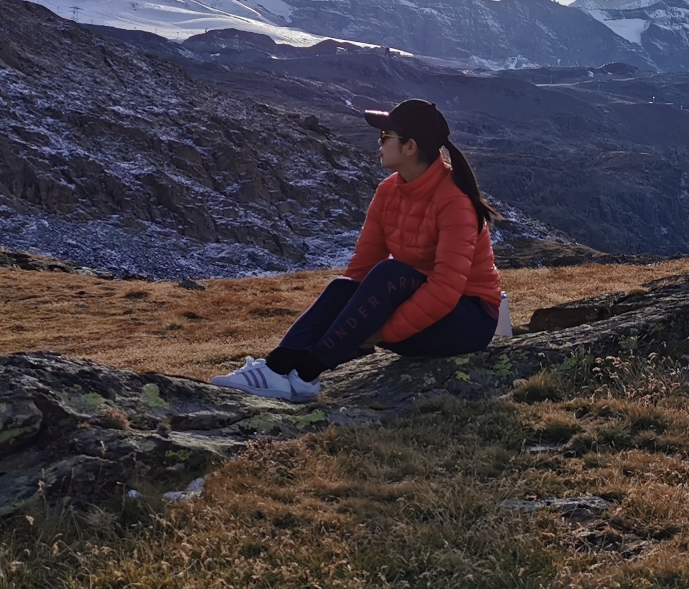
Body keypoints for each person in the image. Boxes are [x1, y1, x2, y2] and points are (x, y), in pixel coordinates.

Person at [213, 98, 506, 402]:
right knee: (344, 286)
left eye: (385, 137)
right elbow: (361, 272)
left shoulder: (453, 201)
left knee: (389, 272)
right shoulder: (388, 192)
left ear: (410, 147)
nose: (378, 143)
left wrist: (380, 333)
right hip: (420, 313)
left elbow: (446, 289)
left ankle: (306, 375)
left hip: (468, 321)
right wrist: (352, 316)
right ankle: (277, 368)